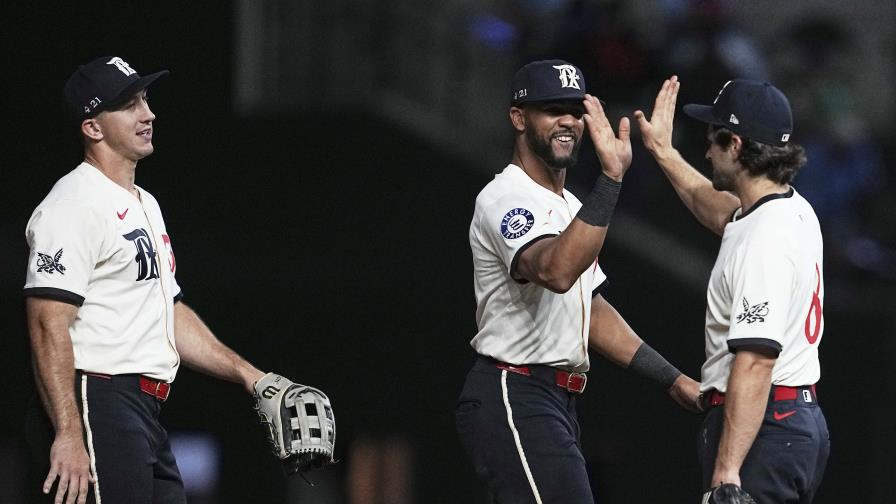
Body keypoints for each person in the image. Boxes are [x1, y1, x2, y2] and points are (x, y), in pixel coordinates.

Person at [455, 59, 701, 504]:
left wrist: (671, 378)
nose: (568, 120)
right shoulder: (504, 195)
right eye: (552, 109)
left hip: (555, 399)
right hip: (514, 390)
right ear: (518, 118)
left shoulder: (570, 203)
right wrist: (611, 178)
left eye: (576, 109)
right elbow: (556, 272)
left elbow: (591, 309)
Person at [24, 56, 268, 504]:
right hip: (99, 397)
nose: (148, 113)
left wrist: (252, 376)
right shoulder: (73, 204)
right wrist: (68, 432)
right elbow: (47, 324)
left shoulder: (146, 204)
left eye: (145, 99)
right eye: (128, 104)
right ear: (93, 127)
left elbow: (167, 313)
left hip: (145, 410)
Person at [636, 76, 830, 501]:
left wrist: (726, 474)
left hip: (763, 427)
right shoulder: (789, 208)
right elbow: (721, 211)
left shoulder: (765, 239)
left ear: (736, 146)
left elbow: (757, 360)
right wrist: (664, 154)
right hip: (788, 419)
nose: (706, 152)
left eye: (713, 141)